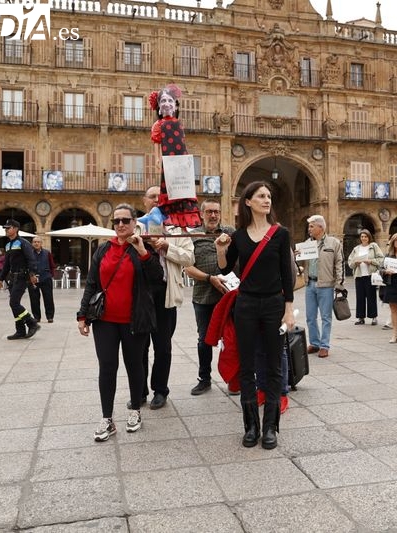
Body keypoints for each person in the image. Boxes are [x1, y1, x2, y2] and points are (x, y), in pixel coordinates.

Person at [216, 181, 294, 450]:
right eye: (261, 196)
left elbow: (288, 273)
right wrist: (220, 248)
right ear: (247, 202)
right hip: (246, 304)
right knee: (246, 365)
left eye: (269, 196)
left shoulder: (280, 234)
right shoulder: (238, 236)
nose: (266, 200)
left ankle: (270, 427)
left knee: (273, 366)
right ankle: (251, 426)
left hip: (273, 304)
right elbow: (225, 267)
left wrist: (288, 310)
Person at [78, 204, 163, 441]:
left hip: (134, 320)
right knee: (107, 367)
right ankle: (107, 418)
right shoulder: (103, 250)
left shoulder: (143, 249)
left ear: (135, 223)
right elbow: (92, 284)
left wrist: (143, 252)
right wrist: (82, 315)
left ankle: (135, 410)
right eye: (117, 221)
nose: (121, 225)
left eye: (126, 220)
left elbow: (157, 278)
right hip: (104, 320)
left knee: (134, 365)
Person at [134, 185, 195, 410]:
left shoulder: (177, 228)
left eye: (161, 198)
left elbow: (189, 258)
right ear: (144, 201)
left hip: (165, 294)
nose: (156, 201)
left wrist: (168, 247)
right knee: (138, 346)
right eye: (152, 197)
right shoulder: (135, 225)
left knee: (163, 347)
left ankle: (160, 391)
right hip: (140, 295)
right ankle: (139, 391)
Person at [184, 200, 234, 396]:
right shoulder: (192, 235)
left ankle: (233, 378)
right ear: (202, 214)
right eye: (210, 212)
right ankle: (204, 379)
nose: (213, 215)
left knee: (232, 338)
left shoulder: (230, 231)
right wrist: (209, 278)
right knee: (204, 340)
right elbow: (187, 267)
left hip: (229, 296)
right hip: (203, 297)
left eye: (217, 212)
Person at [144, 83, 201, 228]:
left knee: (183, 193)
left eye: (170, 101)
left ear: (175, 105)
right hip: (168, 162)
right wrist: (157, 158)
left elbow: (182, 144)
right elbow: (156, 142)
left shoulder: (178, 123)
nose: (167, 104)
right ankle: (159, 214)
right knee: (169, 192)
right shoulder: (158, 124)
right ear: (158, 106)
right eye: (163, 101)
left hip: (181, 162)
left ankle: (183, 225)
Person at [300, 215, 344, 358]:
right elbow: (302, 264)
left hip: (326, 285)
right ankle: (314, 343)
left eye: (312, 226)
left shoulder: (333, 243)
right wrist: (297, 256)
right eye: (309, 226)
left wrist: (340, 284)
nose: (309, 229)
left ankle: (324, 345)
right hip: (310, 284)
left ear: (321, 227)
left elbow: (339, 263)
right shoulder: (307, 243)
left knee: (326, 317)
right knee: (310, 317)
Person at [0, 219, 41, 340]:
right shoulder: (8, 245)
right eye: (5, 228)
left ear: (15, 229)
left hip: (22, 277)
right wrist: (0, 279)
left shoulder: (23, 243)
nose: (6, 230)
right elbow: (6, 265)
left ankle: (32, 323)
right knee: (14, 305)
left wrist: (32, 274)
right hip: (12, 278)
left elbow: (31, 259)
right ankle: (20, 330)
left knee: (14, 303)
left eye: (8, 228)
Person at [347, 229, 383, 325]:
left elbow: (381, 259)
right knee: (360, 297)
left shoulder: (373, 246)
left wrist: (371, 261)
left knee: (371, 297)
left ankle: (373, 317)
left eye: (365, 236)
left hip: (370, 275)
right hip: (359, 276)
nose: (364, 238)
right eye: (362, 236)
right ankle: (360, 317)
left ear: (369, 237)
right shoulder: (356, 249)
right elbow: (350, 263)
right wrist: (355, 263)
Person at [28, 237, 56, 323]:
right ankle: (37, 317)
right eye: (34, 242)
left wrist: (50, 275)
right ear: (32, 243)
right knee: (34, 299)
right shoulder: (29, 253)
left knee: (48, 298)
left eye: (38, 242)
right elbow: (26, 266)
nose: (36, 243)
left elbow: (52, 265)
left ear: (41, 243)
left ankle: (50, 316)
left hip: (45, 278)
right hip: (32, 279)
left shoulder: (47, 253)